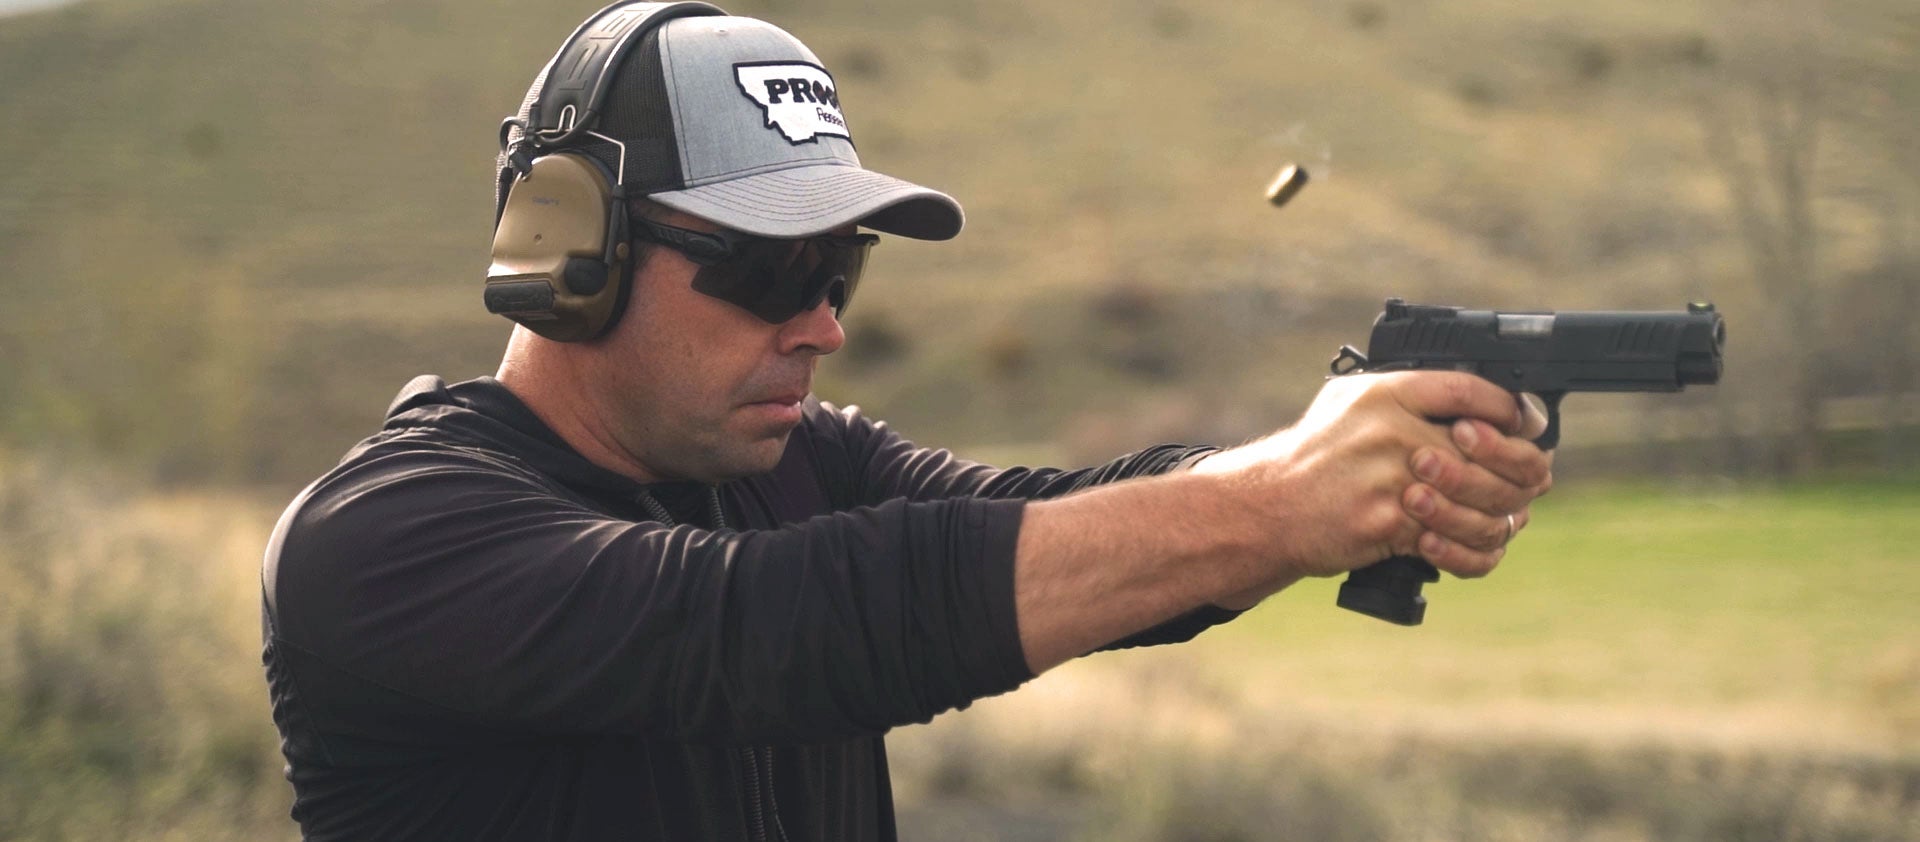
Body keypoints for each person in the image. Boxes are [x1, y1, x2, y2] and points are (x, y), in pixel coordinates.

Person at [260, 4, 1553, 840]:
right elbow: (778, 624)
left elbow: (1055, 530)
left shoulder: (803, 462)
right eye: (771, 271)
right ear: (568, 247)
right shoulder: (385, 541)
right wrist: (1277, 500)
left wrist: (1328, 466)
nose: (821, 324)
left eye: (839, 271)